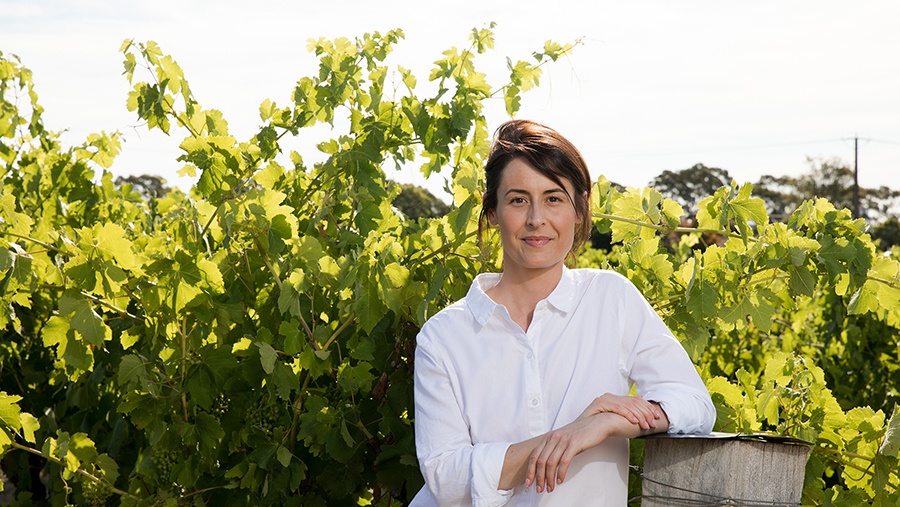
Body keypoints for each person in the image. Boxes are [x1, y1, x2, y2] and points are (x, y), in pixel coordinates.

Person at [411, 120, 715, 506]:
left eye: (553, 198)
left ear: (578, 209)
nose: (537, 219)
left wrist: (604, 424)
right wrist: (570, 434)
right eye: (518, 200)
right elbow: (446, 479)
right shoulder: (444, 337)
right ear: (491, 211)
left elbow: (694, 404)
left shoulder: (611, 299)